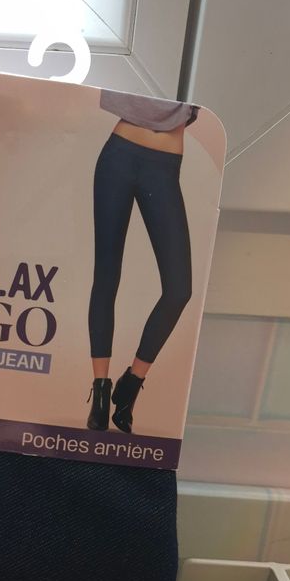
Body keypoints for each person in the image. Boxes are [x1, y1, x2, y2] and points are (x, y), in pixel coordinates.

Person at [87, 90, 199, 433]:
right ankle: (101, 392)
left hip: (164, 168)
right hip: (119, 153)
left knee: (179, 290)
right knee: (107, 276)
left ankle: (131, 384)